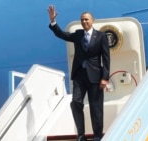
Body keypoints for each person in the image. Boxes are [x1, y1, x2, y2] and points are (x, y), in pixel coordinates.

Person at [47, 5, 110, 141]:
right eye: (82, 20)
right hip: (79, 76)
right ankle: (81, 135)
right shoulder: (78, 34)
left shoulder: (101, 36)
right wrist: (53, 21)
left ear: (93, 21)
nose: (84, 22)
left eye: (86, 19)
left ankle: (97, 136)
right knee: (75, 102)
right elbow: (62, 34)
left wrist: (105, 78)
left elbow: (106, 58)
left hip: (95, 77)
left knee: (96, 107)